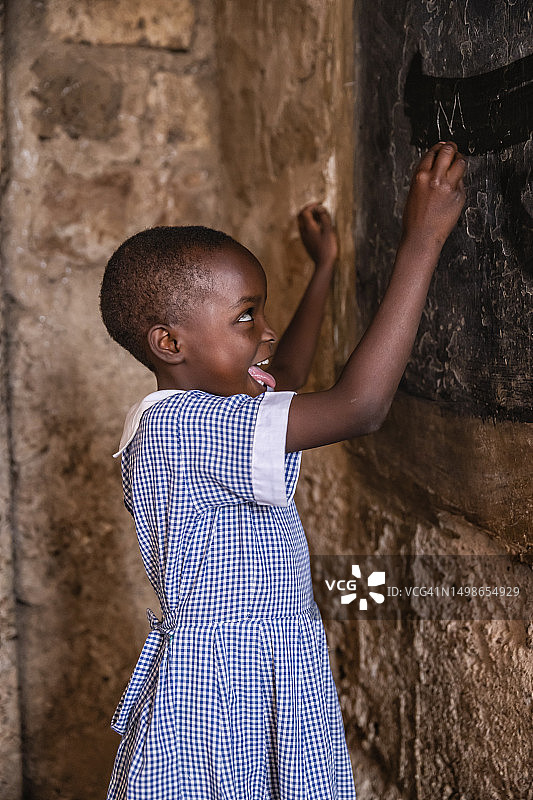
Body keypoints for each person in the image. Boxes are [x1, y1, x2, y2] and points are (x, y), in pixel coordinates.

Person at [100, 141, 466, 799]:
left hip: (257, 666)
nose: (263, 332)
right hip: (223, 688)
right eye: (246, 316)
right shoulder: (182, 426)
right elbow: (358, 407)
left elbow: (287, 377)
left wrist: (323, 268)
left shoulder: (218, 407)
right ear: (169, 343)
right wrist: (422, 241)